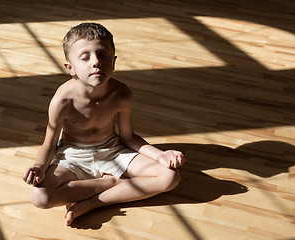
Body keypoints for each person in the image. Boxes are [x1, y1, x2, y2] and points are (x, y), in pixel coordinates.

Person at [23, 22, 185, 226]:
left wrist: (160, 155)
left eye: (103, 55)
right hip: (73, 155)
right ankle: (111, 183)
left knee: (169, 177)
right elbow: (49, 144)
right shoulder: (62, 100)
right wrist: (39, 167)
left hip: (112, 150)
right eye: (85, 57)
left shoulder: (122, 94)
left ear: (114, 62)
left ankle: (93, 203)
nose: (96, 62)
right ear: (70, 68)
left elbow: (128, 137)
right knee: (39, 197)